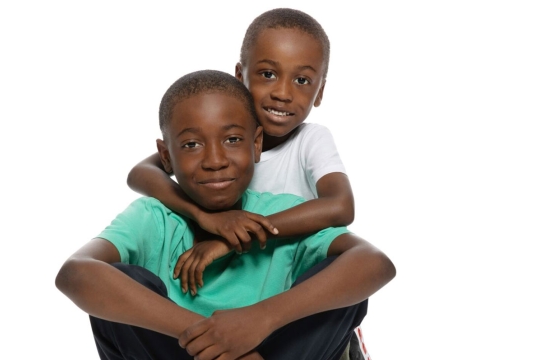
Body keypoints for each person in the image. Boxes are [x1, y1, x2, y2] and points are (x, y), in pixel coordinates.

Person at [56, 70, 395, 360]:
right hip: (181, 351)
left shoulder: (280, 211)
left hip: (273, 350)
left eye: (233, 139)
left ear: (256, 144)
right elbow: (74, 273)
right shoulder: (153, 216)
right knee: (118, 283)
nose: (215, 160)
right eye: (191, 145)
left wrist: (258, 320)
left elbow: (375, 262)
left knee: (343, 280)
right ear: (166, 156)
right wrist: (216, 340)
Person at [127, 8, 370, 359]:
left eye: (301, 80)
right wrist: (207, 217)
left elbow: (340, 206)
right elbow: (142, 173)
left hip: (289, 294)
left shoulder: (311, 141)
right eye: (268, 74)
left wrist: (233, 238)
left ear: (320, 91)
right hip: (232, 292)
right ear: (240, 75)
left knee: (337, 281)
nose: (283, 93)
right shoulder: (222, 133)